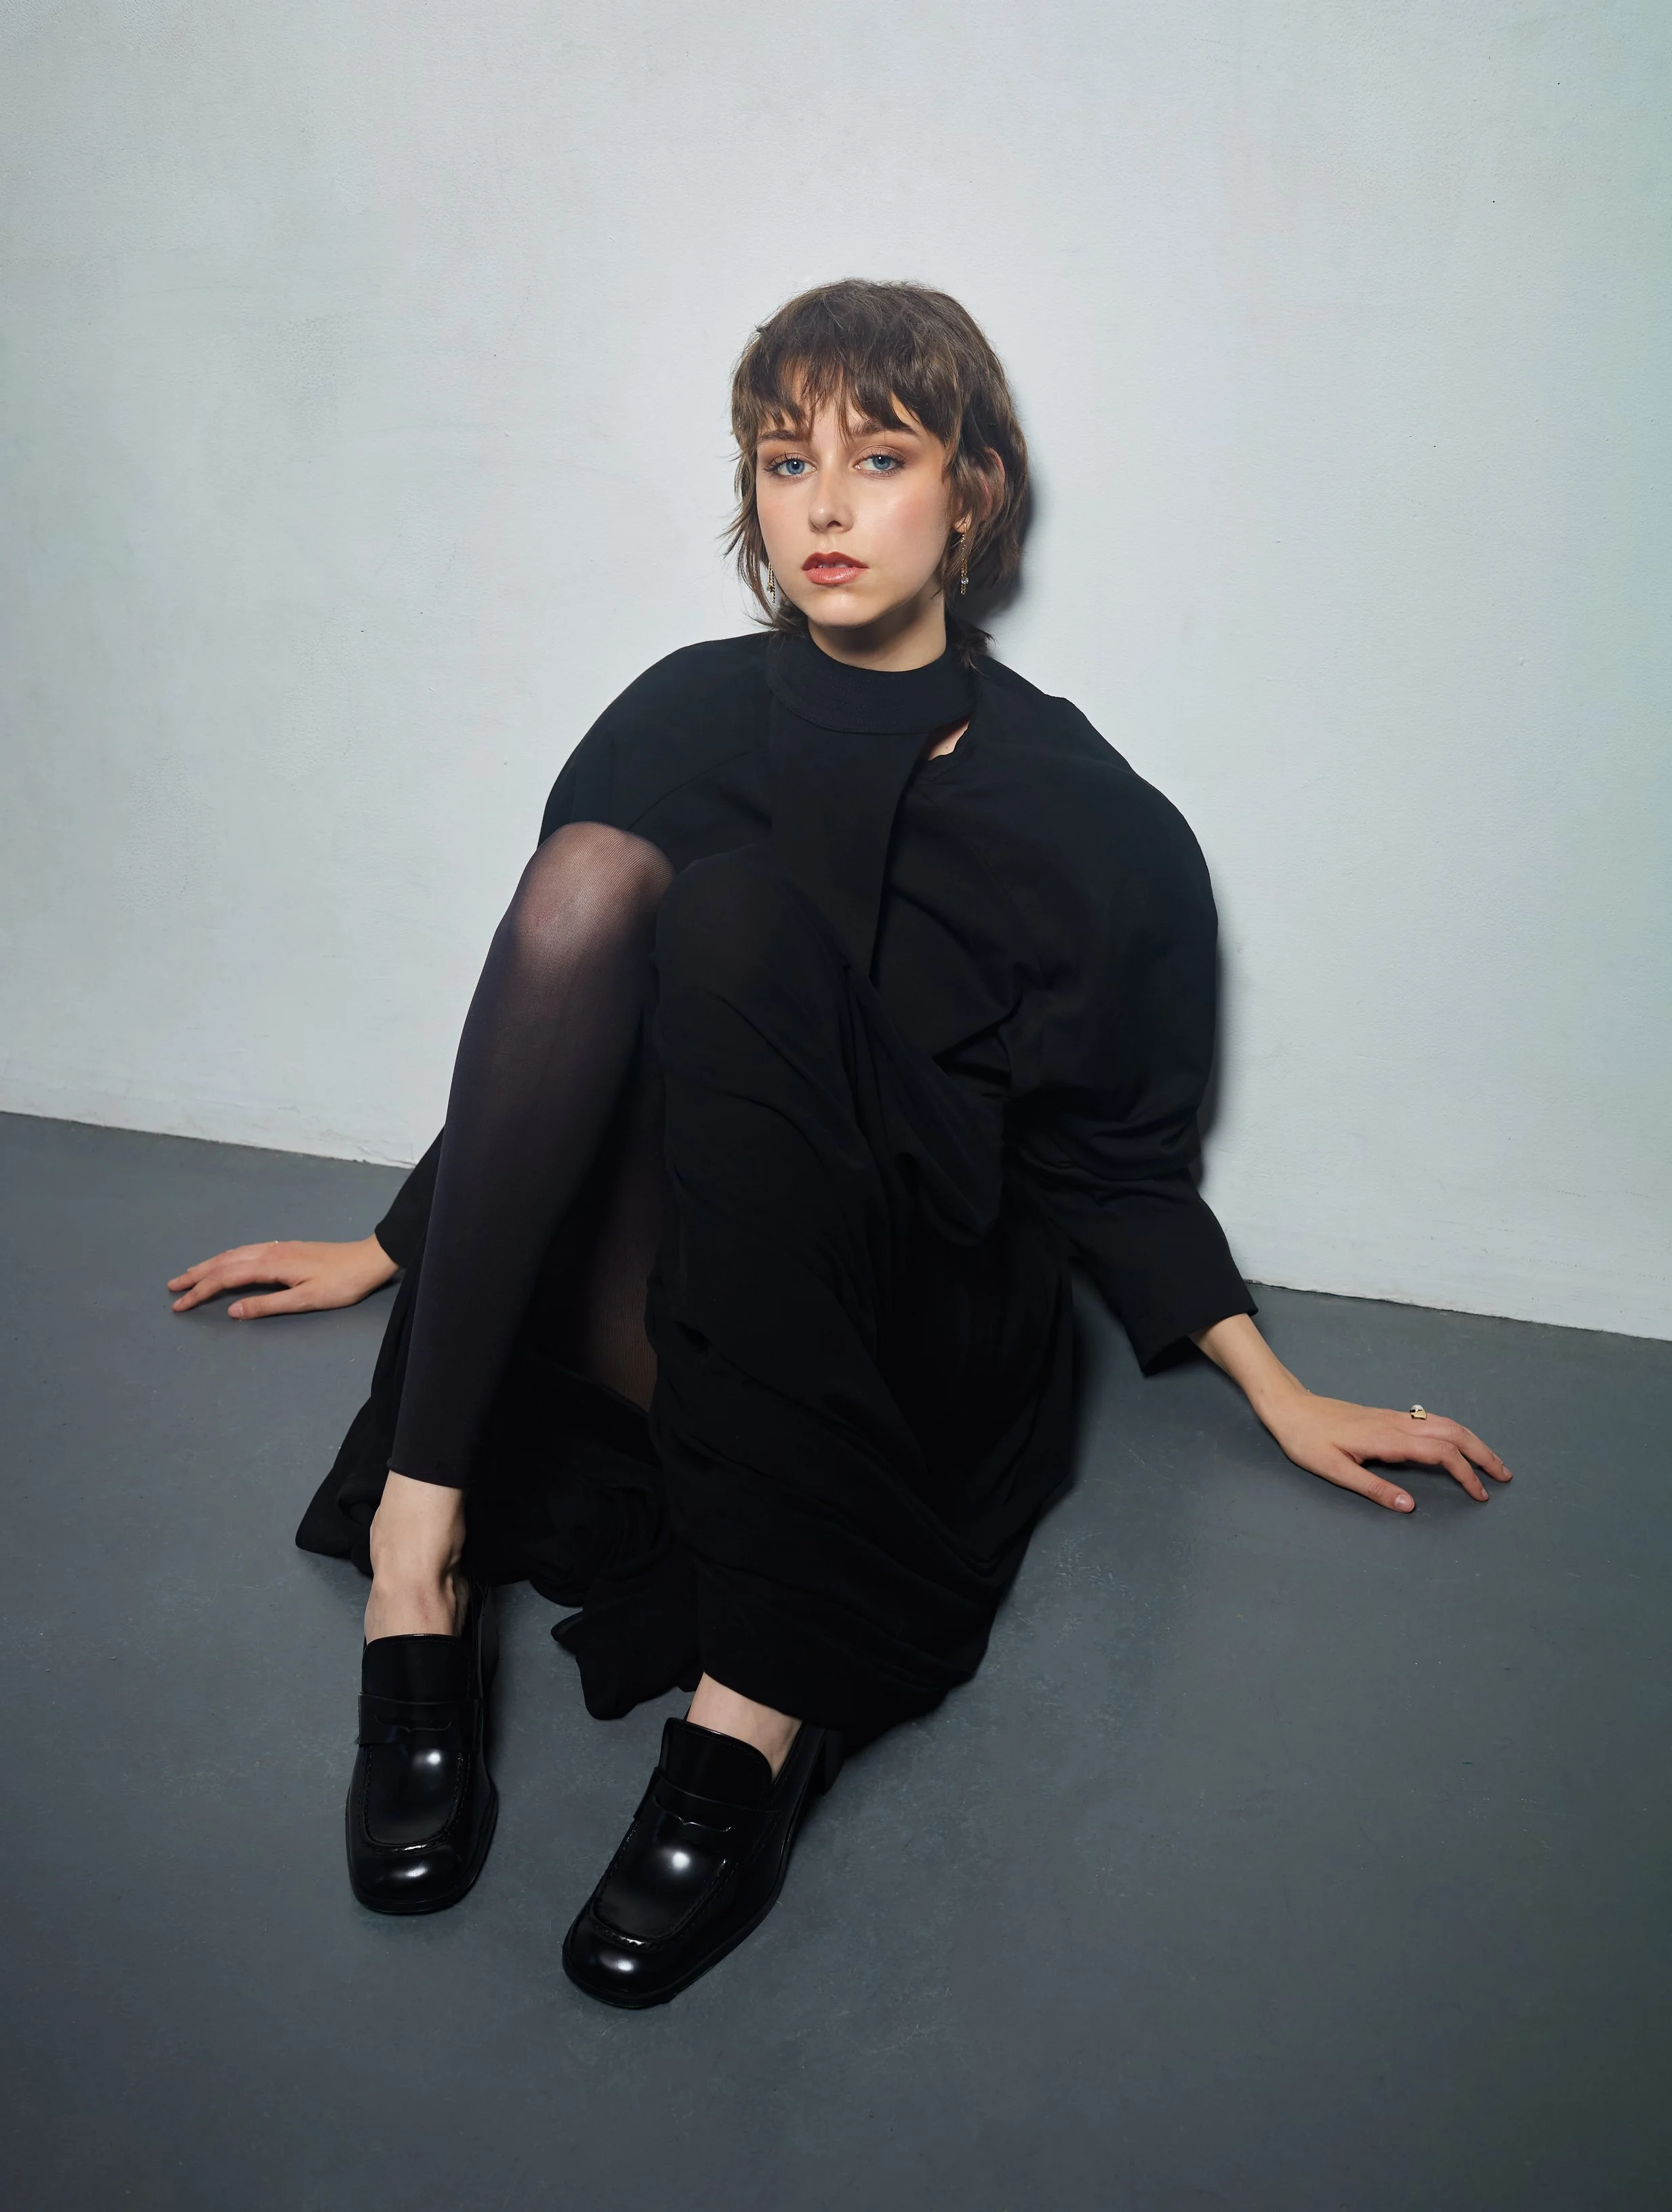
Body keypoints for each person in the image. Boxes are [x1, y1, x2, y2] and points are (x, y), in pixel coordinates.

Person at [169, 280, 1511, 2007]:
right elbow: (556, 1039)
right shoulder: (675, 717)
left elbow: (1113, 1150)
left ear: (972, 493)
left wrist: (1271, 1384)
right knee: (594, 881)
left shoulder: (1084, 814)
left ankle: (758, 1703)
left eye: (877, 457)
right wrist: (395, 1240)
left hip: (907, 1321)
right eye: (781, 457)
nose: (819, 502)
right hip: (671, 1309)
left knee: (728, 921)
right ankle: (414, 1569)